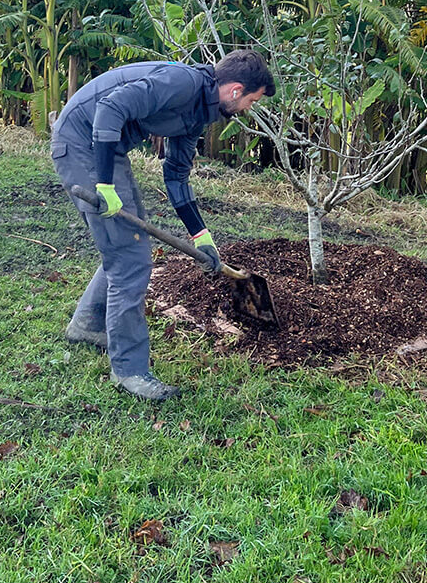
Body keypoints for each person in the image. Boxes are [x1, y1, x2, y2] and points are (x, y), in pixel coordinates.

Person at [50, 50, 275, 401]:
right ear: (235, 90)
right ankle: (131, 371)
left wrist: (202, 237)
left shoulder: (198, 114)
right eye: (252, 99)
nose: (249, 108)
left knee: (130, 241)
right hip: (82, 142)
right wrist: (106, 185)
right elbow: (110, 108)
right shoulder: (182, 83)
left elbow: (177, 177)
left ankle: (87, 325)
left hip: (108, 146)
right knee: (130, 257)